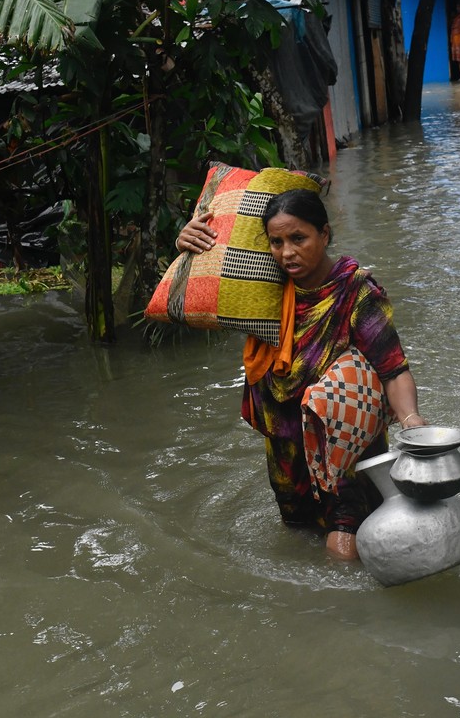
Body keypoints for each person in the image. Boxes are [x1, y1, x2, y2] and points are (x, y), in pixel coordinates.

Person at [175, 188, 425, 561]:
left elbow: (392, 369)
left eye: (298, 238)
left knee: (344, 546)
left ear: (324, 234)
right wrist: (186, 245)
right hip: (285, 445)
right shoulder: (263, 289)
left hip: (344, 448)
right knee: (298, 535)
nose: (287, 253)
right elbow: (200, 291)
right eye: (276, 242)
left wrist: (412, 420)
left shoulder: (355, 292)